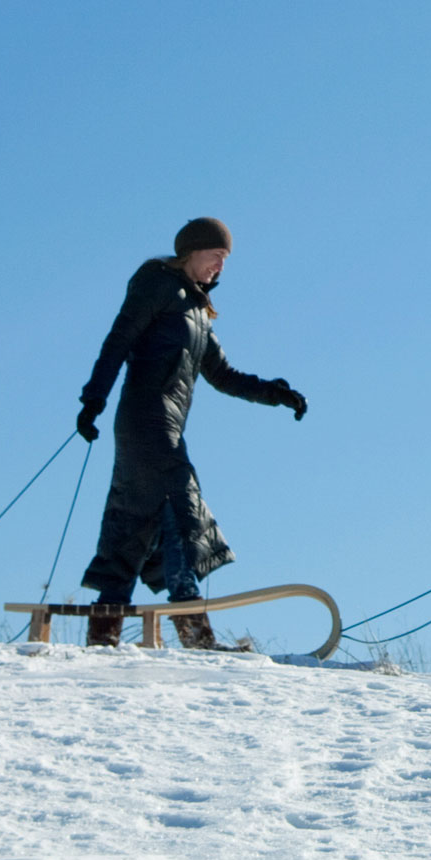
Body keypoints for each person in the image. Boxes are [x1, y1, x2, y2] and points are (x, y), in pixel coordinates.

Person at [75, 216, 309, 649]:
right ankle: (195, 632)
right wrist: (94, 399)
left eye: (226, 260)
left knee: (136, 522)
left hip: (163, 424)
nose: (220, 266)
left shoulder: (198, 311)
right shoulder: (155, 284)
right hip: (145, 419)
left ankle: (103, 633)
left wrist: (276, 393)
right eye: (216, 256)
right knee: (181, 503)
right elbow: (119, 340)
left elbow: (223, 374)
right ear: (191, 251)